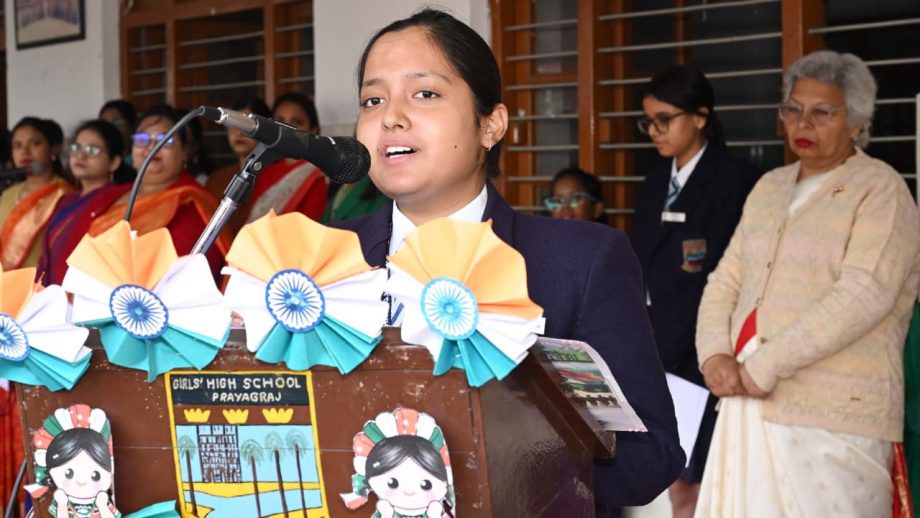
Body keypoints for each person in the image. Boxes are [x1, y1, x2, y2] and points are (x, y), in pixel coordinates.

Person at [333, 9, 684, 511]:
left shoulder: (580, 262)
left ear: (490, 125)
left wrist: (511, 443)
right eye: (373, 99)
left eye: (424, 93)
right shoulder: (322, 261)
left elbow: (647, 461)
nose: (391, 117)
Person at [694, 50, 920, 517]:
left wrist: (765, 365)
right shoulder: (770, 186)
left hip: (834, 412)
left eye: (823, 112)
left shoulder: (881, 189)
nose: (804, 122)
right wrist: (713, 353)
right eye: (793, 109)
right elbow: (726, 278)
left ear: (857, 123)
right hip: (746, 399)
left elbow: (864, 295)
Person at [629, 66, 760, 518]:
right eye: (648, 122)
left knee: (706, 486)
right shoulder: (653, 182)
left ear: (700, 117)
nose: (655, 132)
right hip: (657, 352)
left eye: (665, 120)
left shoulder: (737, 181)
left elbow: (728, 280)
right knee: (677, 483)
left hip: (705, 355)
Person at [88, 104, 228, 277]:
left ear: (184, 151)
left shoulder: (193, 204)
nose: (152, 146)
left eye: (166, 139)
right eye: (142, 139)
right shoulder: (108, 196)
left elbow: (190, 273)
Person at [37, 119, 133, 286]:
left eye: (92, 150)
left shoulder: (120, 200)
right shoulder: (66, 200)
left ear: (114, 162)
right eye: (76, 148)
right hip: (52, 293)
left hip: (87, 292)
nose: (80, 156)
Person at [0, 117, 74, 270]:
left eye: (34, 144)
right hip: (7, 282)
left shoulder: (66, 196)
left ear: (53, 149)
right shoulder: (7, 194)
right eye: (17, 146)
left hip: (45, 282)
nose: (25, 152)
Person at [242, 92, 327, 223]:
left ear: (313, 130)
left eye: (296, 122)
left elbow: (312, 226)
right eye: (280, 121)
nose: (286, 129)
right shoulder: (265, 171)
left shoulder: (317, 175)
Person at [204, 97, 271, 236]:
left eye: (247, 125)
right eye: (234, 125)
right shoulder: (217, 179)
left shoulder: (276, 178)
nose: (239, 132)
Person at [98, 99, 138, 182]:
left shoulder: (138, 160)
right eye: (104, 123)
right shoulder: (97, 160)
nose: (109, 128)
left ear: (132, 126)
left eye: (117, 122)